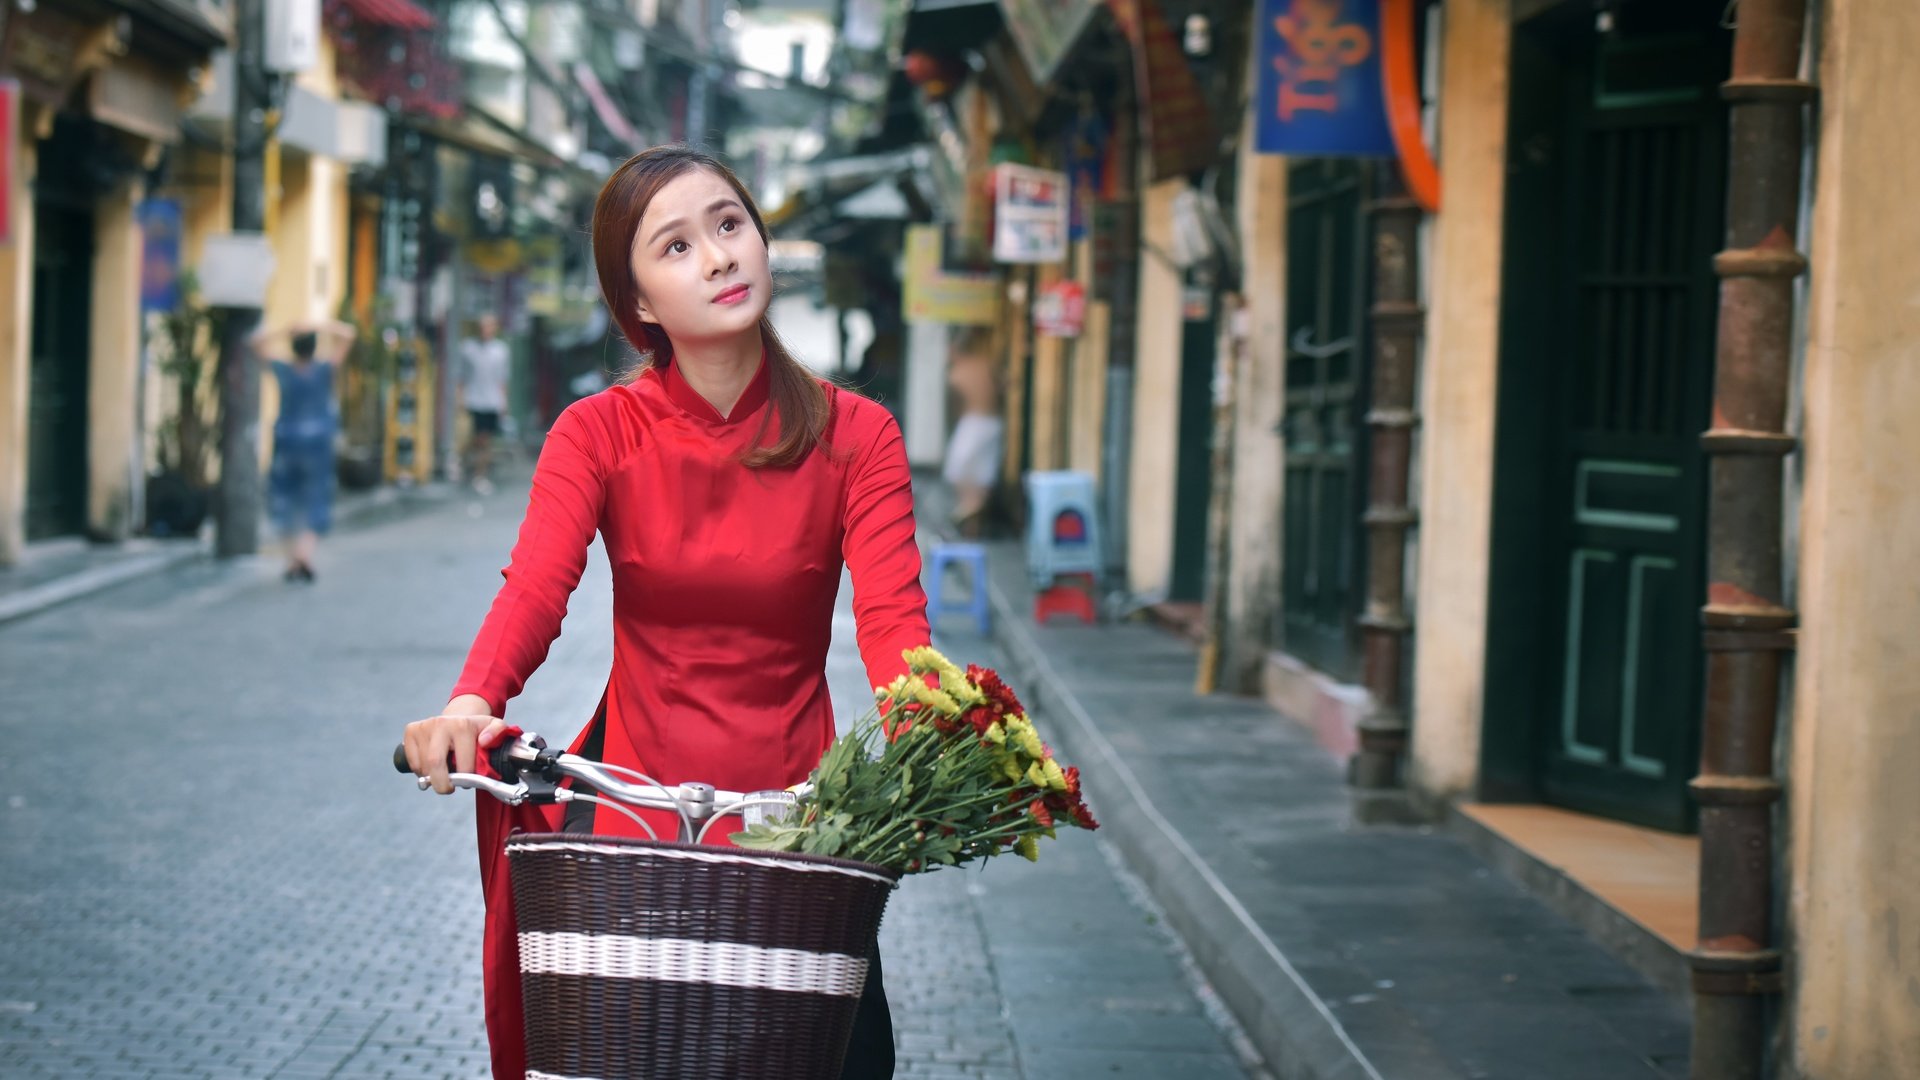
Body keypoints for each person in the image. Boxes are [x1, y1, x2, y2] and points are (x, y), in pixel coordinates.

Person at [399, 145, 929, 1080]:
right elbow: (535, 586)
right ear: (638, 302)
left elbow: (894, 629)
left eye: (729, 226)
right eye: (676, 246)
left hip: (800, 831)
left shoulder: (859, 435)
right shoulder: (597, 432)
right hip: (636, 827)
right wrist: (472, 701)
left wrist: (935, 740)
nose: (720, 257)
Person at [251, 318, 356, 582]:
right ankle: (303, 556)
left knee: (285, 499)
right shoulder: (324, 370)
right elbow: (348, 334)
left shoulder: (283, 371)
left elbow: (256, 343)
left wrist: (286, 328)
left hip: (286, 441)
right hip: (318, 443)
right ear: (314, 347)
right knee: (316, 500)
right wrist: (319, 325)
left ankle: (291, 562)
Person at [941, 327, 1004, 536]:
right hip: (993, 423)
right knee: (983, 472)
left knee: (957, 469)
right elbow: (1002, 388)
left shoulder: (957, 374)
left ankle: (969, 508)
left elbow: (954, 408)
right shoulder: (986, 366)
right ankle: (972, 521)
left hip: (973, 423)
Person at [458, 312, 512, 494]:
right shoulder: (468, 349)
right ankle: (464, 463)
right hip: (474, 399)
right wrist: (460, 399)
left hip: (492, 401)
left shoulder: (501, 351)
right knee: (474, 438)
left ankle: (479, 475)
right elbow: (461, 377)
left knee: (486, 440)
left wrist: (503, 403)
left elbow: (502, 380)